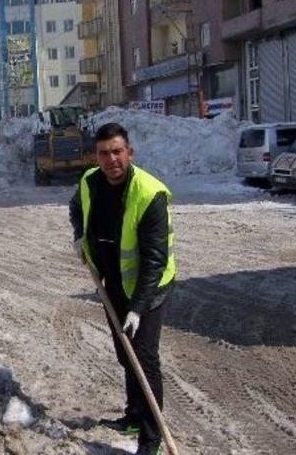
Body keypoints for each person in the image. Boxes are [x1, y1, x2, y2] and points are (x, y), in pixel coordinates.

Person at [68, 122, 175, 455]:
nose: (111, 159)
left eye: (117, 151)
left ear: (130, 152)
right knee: (124, 352)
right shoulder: (89, 182)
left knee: (143, 358)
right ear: (95, 156)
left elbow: (155, 260)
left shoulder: (149, 193)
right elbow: (76, 208)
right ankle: (133, 415)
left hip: (149, 287)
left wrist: (138, 307)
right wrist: (79, 236)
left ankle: (151, 438)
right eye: (104, 153)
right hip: (111, 281)